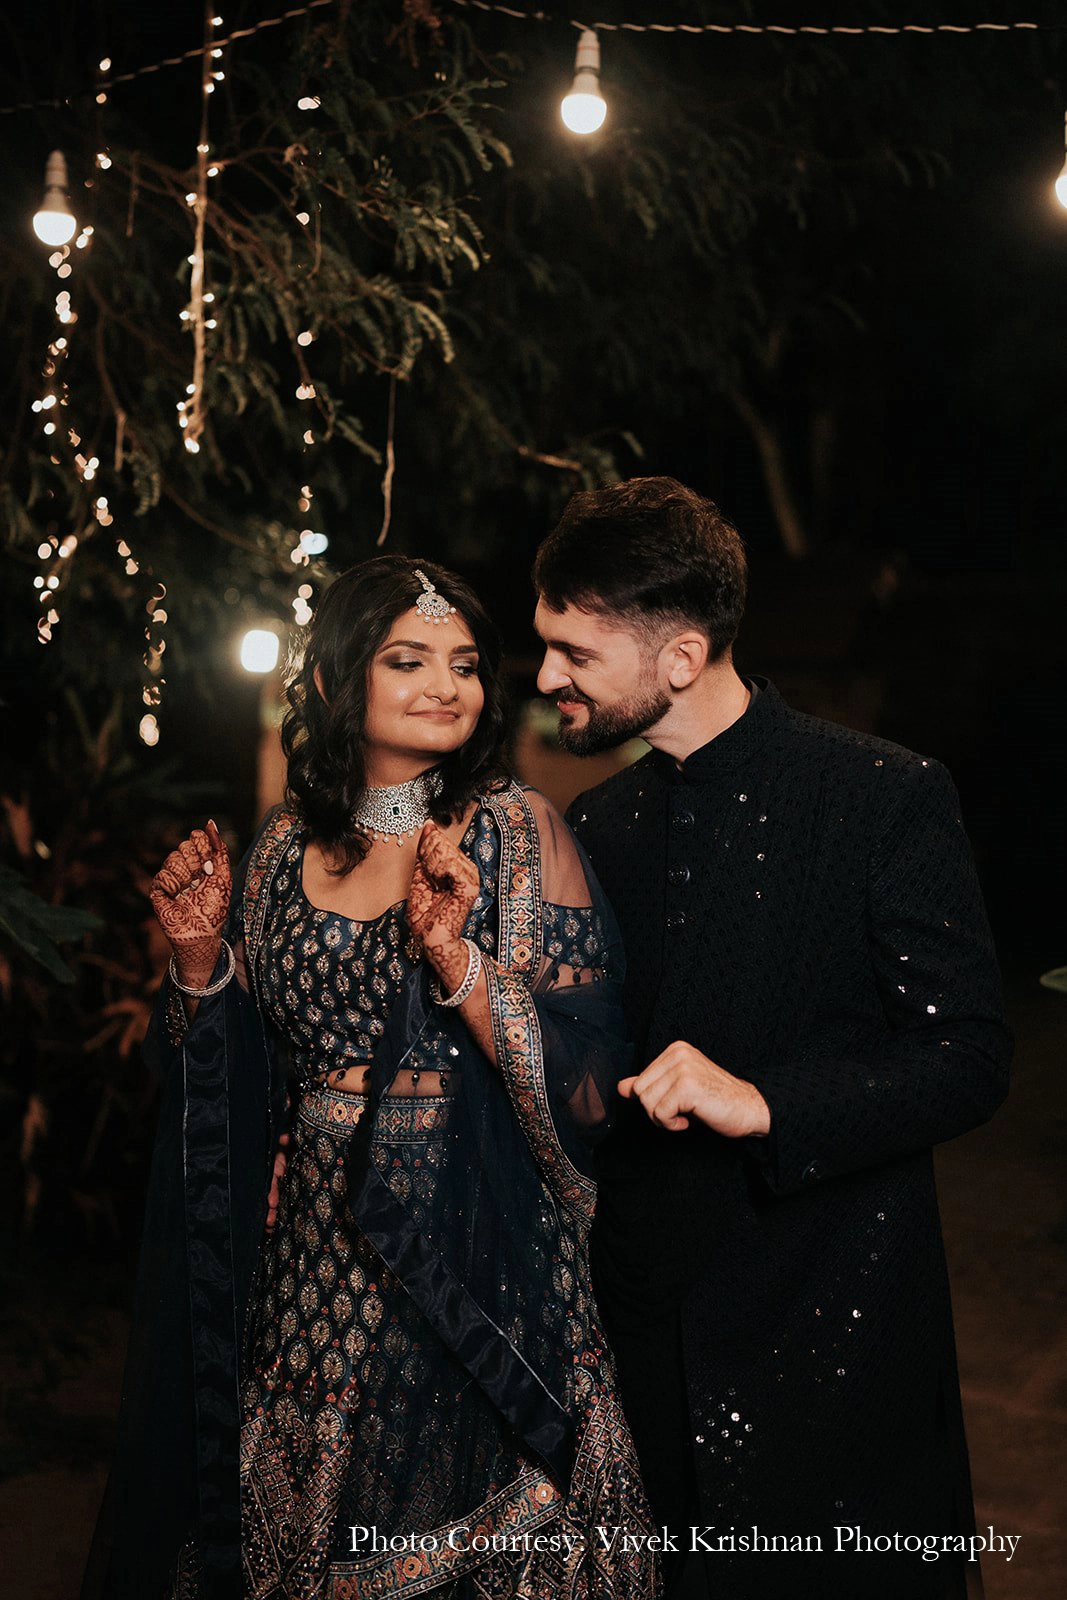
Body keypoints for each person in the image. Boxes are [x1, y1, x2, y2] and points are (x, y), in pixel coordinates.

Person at [81, 556, 659, 1600]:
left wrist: (458, 965)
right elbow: (239, 1074)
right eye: (408, 660)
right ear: (332, 679)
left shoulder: (513, 831)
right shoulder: (280, 848)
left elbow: (588, 1074)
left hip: (475, 1258)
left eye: (464, 664)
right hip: (310, 1267)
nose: (446, 685)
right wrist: (201, 965)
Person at [532, 477, 1012, 1600]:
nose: (545, 675)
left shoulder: (884, 795)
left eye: (572, 651)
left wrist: (766, 1104)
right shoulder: (598, 824)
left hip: (836, 1341)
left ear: (681, 657)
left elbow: (968, 1058)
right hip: (646, 1346)